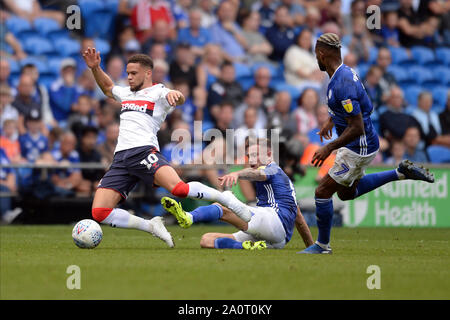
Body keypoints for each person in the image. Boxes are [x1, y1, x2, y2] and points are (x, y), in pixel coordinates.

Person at [83, 48, 260, 248]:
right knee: (99, 212)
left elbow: (179, 97)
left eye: (134, 73)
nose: (129, 77)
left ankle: (222, 196)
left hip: (143, 152)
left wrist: (177, 94)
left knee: (179, 189)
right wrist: (96, 68)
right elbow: (107, 88)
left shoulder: (159, 92)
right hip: (121, 159)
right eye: (128, 73)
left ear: (148, 73)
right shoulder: (125, 92)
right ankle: (151, 225)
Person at [299, 33, 435, 254]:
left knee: (322, 192)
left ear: (322, 55)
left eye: (316, 55)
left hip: (358, 147)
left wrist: (329, 147)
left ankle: (322, 246)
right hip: (361, 144)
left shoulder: (342, 83)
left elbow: (357, 127)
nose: (316, 59)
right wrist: (330, 121)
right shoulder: (343, 73)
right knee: (345, 193)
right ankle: (400, 173)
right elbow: (353, 108)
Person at [161, 138, 314, 250]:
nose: (251, 159)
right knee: (207, 240)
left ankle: (190, 217)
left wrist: (238, 174)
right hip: (277, 238)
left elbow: (257, 174)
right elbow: (299, 219)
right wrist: (311, 247)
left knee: (221, 206)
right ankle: (248, 246)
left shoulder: (272, 169)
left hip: (272, 220)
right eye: (249, 155)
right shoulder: (285, 183)